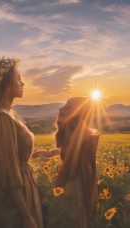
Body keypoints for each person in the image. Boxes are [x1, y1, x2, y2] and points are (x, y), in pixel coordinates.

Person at [0, 57, 42, 228]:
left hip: (19, 188)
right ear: (6, 84)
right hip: (14, 198)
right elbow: (9, 172)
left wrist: (37, 155)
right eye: (18, 79)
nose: (23, 83)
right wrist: (26, 215)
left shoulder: (7, 113)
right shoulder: (2, 118)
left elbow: (11, 156)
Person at [32, 97, 100, 228]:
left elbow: (88, 171)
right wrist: (50, 153)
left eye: (68, 106)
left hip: (77, 190)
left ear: (78, 113)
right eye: (64, 104)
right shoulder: (70, 131)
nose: (61, 108)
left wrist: (89, 203)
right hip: (68, 187)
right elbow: (70, 150)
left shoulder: (88, 136)